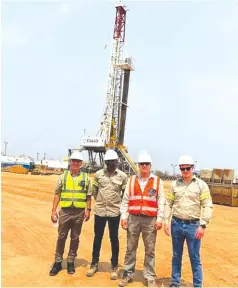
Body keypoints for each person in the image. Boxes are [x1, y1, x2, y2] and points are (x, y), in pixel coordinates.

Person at [164, 155, 213, 288]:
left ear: (193, 168)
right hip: (176, 224)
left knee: (195, 257)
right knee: (176, 255)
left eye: (187, 168)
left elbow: (207, 205)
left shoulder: (201, 185)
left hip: (193, 226)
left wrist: (203, 225)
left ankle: (197, 285)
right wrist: (166, 221)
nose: (185, 171)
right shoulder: (174, 185)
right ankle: (175, 282)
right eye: (182, 169)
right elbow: (168, 204)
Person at [119, 151, 165, 288]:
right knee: (130, 248)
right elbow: (125, 199)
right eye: (142, 164)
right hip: (133, 218)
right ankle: (128, 274)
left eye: (147, 164)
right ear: (138, 165)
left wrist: (160, 219)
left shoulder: (157, 181)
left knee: (150, 249)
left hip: (150, 220)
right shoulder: (132, 180)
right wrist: (123, 216)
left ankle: (150, 277)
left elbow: (161, 201)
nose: (144, 166)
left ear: (150, 166)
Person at [86, 149, 128, 280]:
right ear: (105, 162)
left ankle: (114, 266)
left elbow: (125, 195)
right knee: (97, 237)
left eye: (113, 162)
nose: (110, 164)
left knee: (114, 239)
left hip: (114, 212)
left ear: (117, 162)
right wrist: (100, 201)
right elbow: (94, 191)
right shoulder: (98, 175)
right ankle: (94, 264)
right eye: (108, 162)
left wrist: (120, 208)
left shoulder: (122, 176)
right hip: (100, 211)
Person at [49, 151, 92, 276]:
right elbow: (57, 194)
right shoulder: (63, 176)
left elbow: (88, 196)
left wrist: (88, 210)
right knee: (61, 236)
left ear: (81, 163)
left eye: (78, 161)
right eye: (73, 161)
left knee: (75, 238)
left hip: (79, 212)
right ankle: (58, 262)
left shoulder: (86, 177)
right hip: (65, 212)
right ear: (70, 162)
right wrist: (53, 211)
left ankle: (71, 261)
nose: (76, 163)